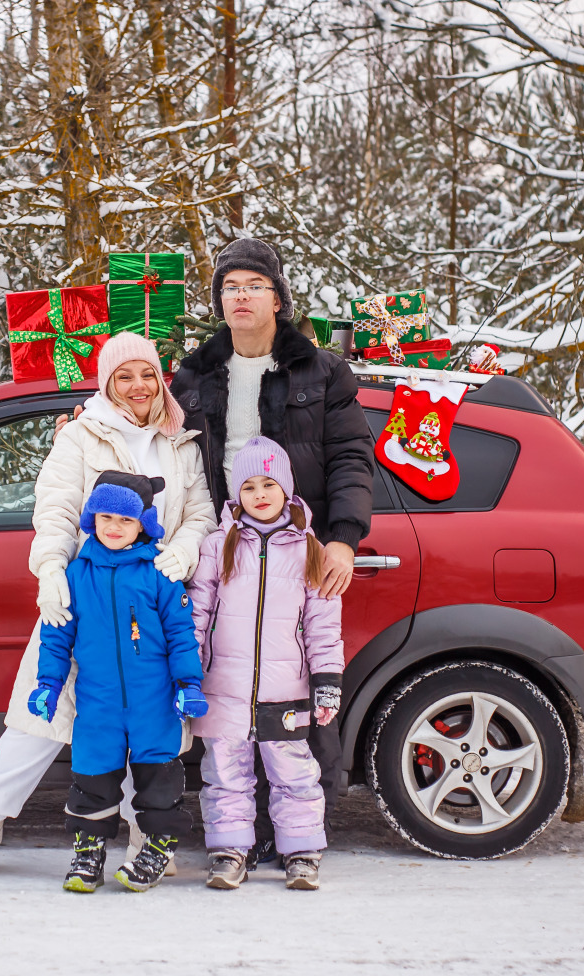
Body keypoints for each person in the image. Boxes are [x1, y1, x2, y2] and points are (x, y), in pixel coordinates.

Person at [0, 332, 216, 878]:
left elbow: (201, 513)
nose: (138, 386)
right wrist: (50, 571)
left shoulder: (182, 441)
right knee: (35, 723)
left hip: (149, 603)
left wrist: (186, 548)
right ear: (107, 383)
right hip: (82, 598)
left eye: (147, 374)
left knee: (140, 728)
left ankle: (144, 839)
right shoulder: (79, 436)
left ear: (160, 378)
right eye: (124, 376)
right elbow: (55, 508)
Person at [169, 238, 374, 863]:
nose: (241, 295)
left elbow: (350, 459)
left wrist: (341, 540)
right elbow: (149, 433)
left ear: (278, 299)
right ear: (219, 300)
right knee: (227, 701)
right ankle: (233, 837)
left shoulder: (321, 371)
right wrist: (84, 420)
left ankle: (299, 836)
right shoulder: (195, 374)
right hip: (220, 552)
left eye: (254, 284)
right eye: (230, 286)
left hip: (295, 554)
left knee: (293, 697)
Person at [30, 471, 208, 891]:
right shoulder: (75, 575)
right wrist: (47, 686)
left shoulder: (159, 576)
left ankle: (158, 846)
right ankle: (88, 853)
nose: (114, 526)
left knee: (158, 781)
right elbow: (56, 639)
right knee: (93, 777)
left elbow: (183, 635)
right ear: (92, 519)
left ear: (143, 524)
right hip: (98, 704)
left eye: (125, 520)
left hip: (154, 702)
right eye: (105, 516)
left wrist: (189, 685)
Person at [189, 437, 343, 890]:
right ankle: (230, 850)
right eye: (249, 485)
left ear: (286, 490)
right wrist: (189, 672)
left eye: (268, 484)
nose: (259, 494)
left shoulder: (308, 549)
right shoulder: (219, 545)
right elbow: (198, 612)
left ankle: (301, 852)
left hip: (286, 690)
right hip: (224, 686)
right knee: (224, 774)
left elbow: (322, 623)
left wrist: (327, 680)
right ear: (236, 494)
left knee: (294, 772)